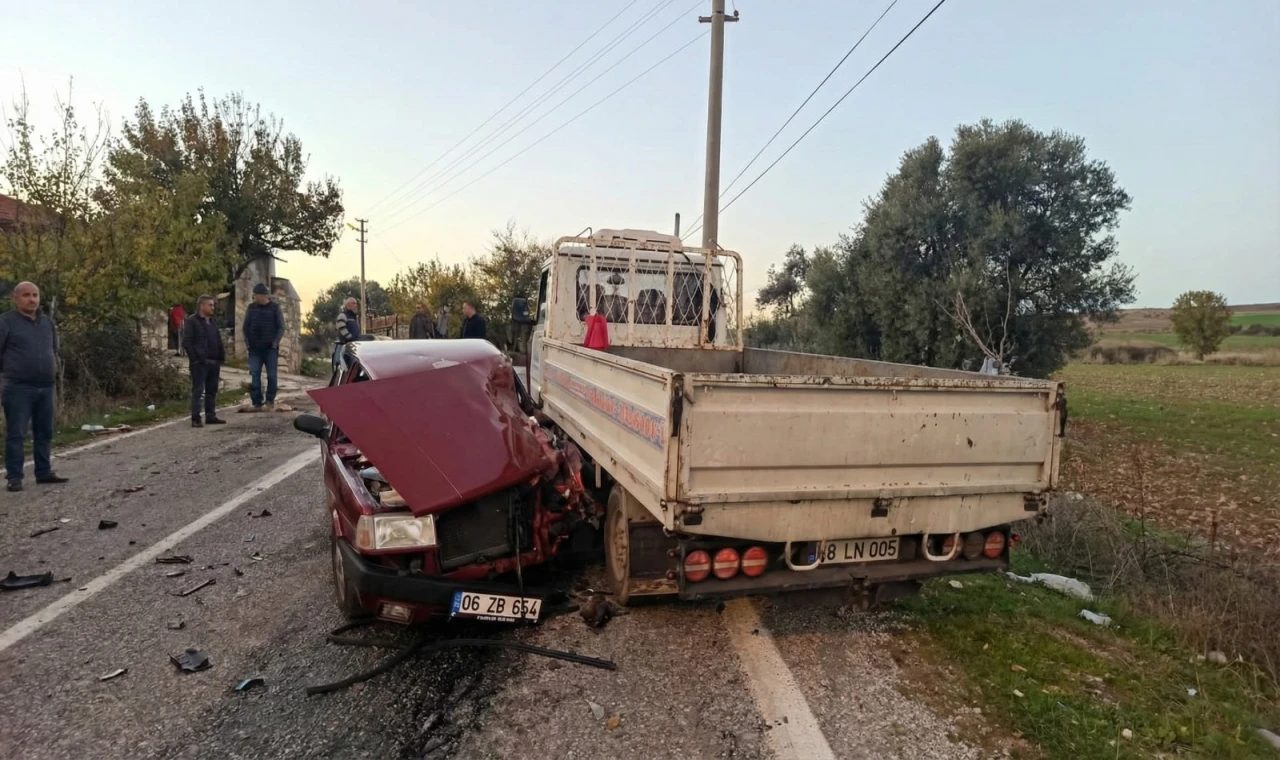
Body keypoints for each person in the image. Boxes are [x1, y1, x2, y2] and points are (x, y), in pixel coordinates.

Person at [0, 282, 68, 491]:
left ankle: (44, 472)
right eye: (26, 295)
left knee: (44, 431)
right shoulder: (6, 322)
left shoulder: (47, 323)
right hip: (18, 388)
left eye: (35, 295)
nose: (32, 299)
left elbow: (53, 349)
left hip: (46, 386)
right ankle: (14, 476)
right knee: (17, 433)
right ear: (16, 298)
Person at [182, 295, 227, 428]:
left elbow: (217, 340)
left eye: (213, 305)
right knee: (198, 390)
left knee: (212, 390)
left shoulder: (212, 322)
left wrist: (220, 356)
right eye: (210, 305)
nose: (213, 308)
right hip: (200, 363)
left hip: (214, 362)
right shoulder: (192, 321)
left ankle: (210, 416)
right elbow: (187, 341)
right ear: (202, 306)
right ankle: (196, 418)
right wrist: (195, 358)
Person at [242, 284, 284, 411]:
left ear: (263, 295)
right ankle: (257, 402)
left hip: (270, 348)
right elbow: (245, 327)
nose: (254, 297)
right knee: (255, 374)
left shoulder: (275, 308)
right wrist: (248, 343)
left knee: (271, 375)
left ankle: (270, 400)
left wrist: (275, 343)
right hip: (255, 349)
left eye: (256, 295)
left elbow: (281, 327)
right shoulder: (251, 308)